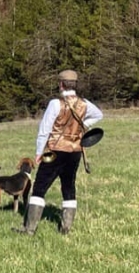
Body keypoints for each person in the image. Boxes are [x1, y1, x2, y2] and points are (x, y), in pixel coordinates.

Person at [15, 69, 103, 236]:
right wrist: (83, 127)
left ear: (61, 84)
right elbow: (98, 115)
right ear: (74, 84)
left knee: (40, 187)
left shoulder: (55, 104)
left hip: (54, 150)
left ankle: (29, 229)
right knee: (68, 187)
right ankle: (65, 229)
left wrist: (39, 152)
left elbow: (45, 129)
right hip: (75, 151)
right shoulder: (85, 103)